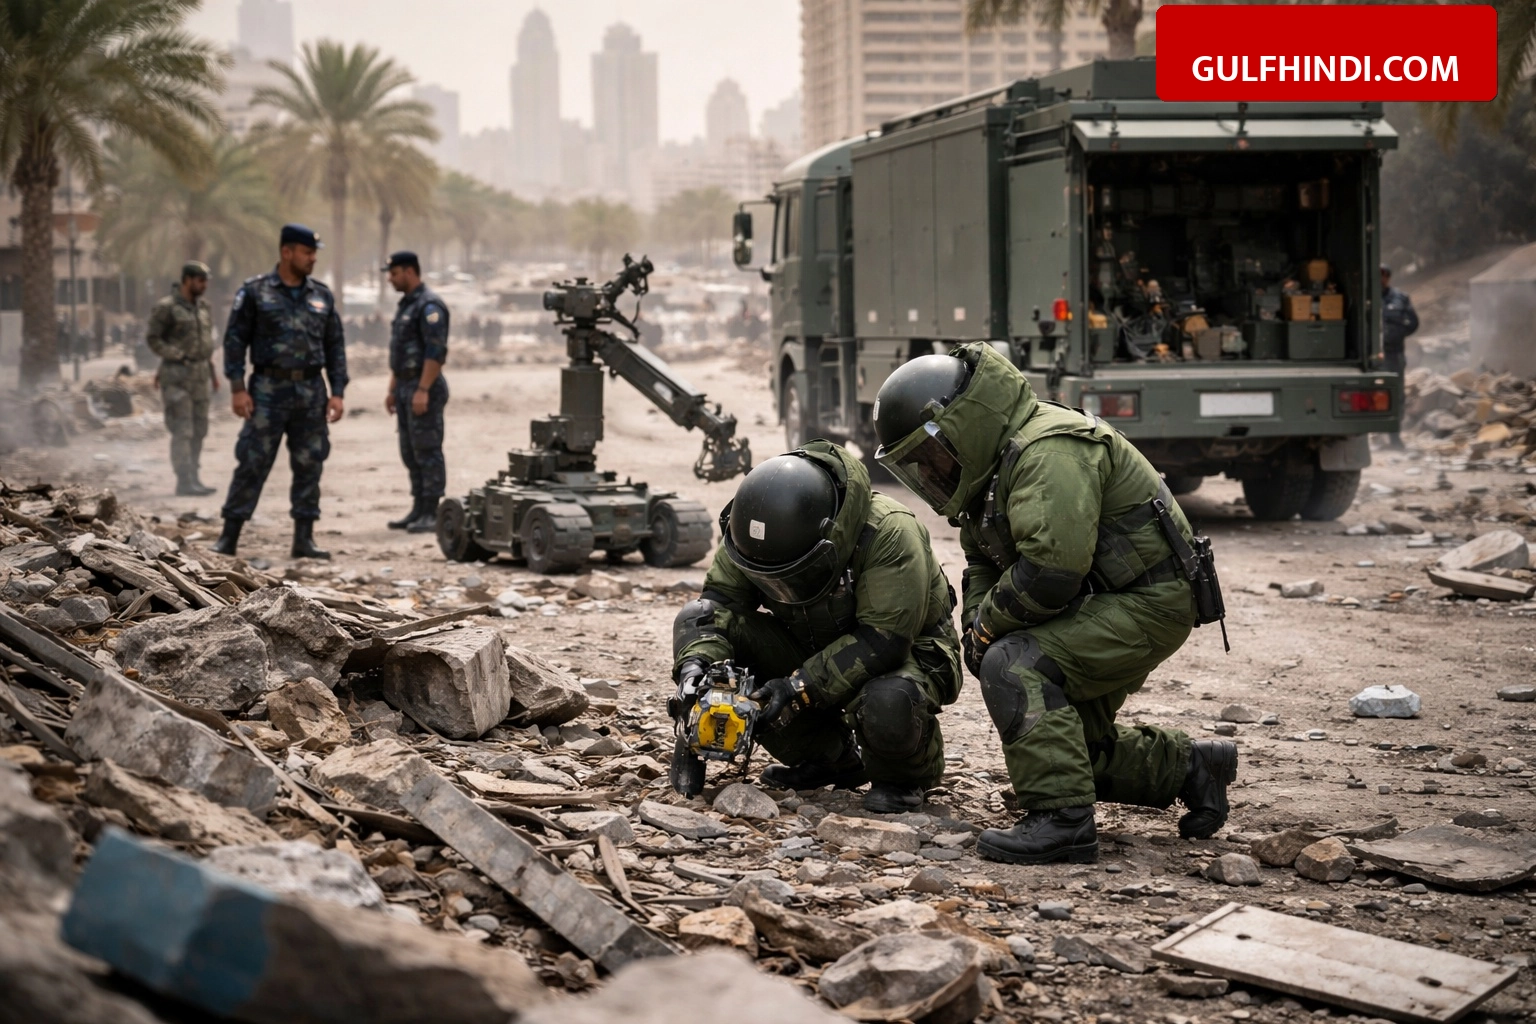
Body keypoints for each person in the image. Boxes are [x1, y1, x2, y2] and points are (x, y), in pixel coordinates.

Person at [871, 343, 1236, 864]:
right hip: (1100, 600)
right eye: (917, 464)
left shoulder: (1049, 451)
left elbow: (1050, 572)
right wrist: (975, 624)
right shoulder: (990, 467)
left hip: (1149, 600)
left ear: (965, 425)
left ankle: (1064, 823)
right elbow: (982, 562)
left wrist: (988, 631)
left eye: (931, 454)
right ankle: (1192, 768)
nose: (931, 470)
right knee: (1062, 746)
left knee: (1015, 666)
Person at [672, 442, 963, 813]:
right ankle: (833, 759)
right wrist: (696, 673)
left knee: (888, 699)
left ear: (829, 541)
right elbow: (719, 607)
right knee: (698, 619)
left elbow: (884, 641)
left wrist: (796, 688)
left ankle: (903, 776)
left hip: (905, 653)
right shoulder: (748, 531)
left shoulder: (889, 532)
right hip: (812, 642)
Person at [212, 224, 347, 559]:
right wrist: (237, 388)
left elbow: (335, 346)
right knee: (252, 461)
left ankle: (304, 539)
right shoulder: (255, 292)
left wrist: (337, 391)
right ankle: (229, 537)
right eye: (307, 252)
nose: (313, 258)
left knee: (310, 463)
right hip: (267, 391)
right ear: (287, 252)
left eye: (314, 253)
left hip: (311, 391)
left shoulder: (322, 295)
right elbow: (234, 342)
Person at [382, 251, 450, 532]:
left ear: (409, 272)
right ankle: (418, 508)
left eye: (394, 273)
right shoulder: (407, 305)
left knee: (427, 449)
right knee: (410, 451)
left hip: (424, 386)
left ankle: (432, 512)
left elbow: (436, 352)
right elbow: (401, 353)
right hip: (405, 385)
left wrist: (423, 389)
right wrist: (393, 389)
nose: (390, 279)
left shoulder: (429, 306)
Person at [145, 261, 220, 495]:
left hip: (200, 377)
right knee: (183, 430)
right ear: (187, 280)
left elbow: (205, 343)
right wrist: (176, 355)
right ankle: (184, 480)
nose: (204, 285)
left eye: (206, 281)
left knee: (199, 429)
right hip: (177, 378)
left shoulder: (204, 307)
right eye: (200, 280)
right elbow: (153, 339)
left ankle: (195, 477)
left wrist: (212, 372)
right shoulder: (166, 307)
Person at [1381, 265, 1419, 449]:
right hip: (1371, 356)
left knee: (1396, 396)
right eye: (1377, 275)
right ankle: (1374, 436)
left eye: (1384, 275)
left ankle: (1394, 437)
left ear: (1388, 277)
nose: (1381, 279)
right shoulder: (1366, 297)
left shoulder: (1400, 298)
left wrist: (1397, 334)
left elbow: (1413, 323)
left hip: (1394, 354)